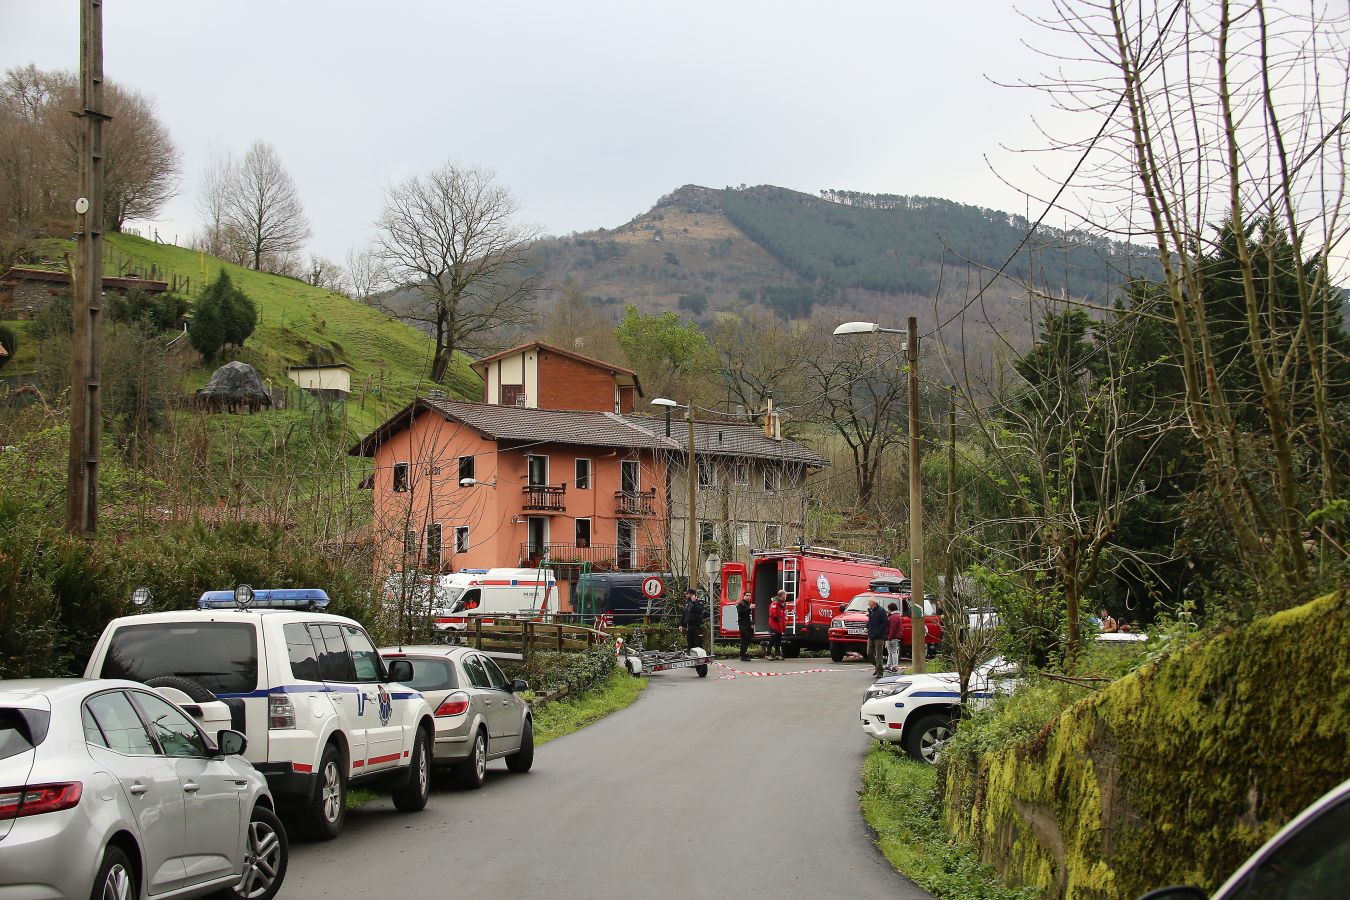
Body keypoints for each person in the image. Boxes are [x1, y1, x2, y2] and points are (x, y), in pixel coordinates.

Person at [867, 597, 889, 678]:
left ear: (873, 603)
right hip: (871, 635)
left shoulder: (881, 611)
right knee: (869, 653)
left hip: (879, 637)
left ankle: (880, 672)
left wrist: (878, 632)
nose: (868, 605)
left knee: (879, 654)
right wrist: (867, 627)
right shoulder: (871, 611)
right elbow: (869, 621)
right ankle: (876, 666)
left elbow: (885, 623)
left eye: (869, 603)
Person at [767, 590, 787, 660]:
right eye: (785, 595)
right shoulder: (775, 603)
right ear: (782, 596)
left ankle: (777, 654)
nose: (786, 596)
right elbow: (772, 613)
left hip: (779, 625)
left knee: (778, 640)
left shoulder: (782, 604)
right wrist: (778, 619)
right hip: (773, 625)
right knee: (772, 640)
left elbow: (782, 615)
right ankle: (768, 654)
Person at [885, 602, 905, 672]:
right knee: (891, 652)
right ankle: (889, 665)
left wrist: (889, 637)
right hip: (894, 636)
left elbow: (892, 628)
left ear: (890, 609)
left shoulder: (893, 617)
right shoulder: (896, 616)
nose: (887, 610)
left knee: (893, 652)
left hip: (893, 637)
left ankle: (894, 666)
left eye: (888, 608)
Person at [736, 591, 754, 661]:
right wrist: (749, 608)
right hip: (743, 624)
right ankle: (742, 655)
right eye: (747, 595)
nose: (748, 597)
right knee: (744, 639)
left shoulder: (747, 603)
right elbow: (741, 613)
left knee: (748, 638)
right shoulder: (741, 604)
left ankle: (744, 653)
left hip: (748, 624)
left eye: (749, 596)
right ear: (744, 596)